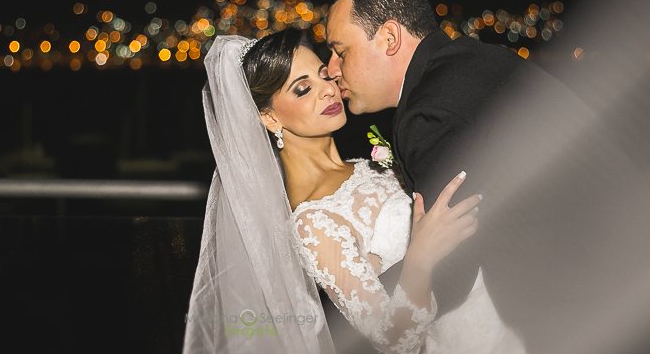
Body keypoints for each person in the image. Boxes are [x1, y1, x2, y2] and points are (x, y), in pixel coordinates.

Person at [325, 0, 648, 353]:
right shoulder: (475, 58)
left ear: (390, 38)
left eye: (340, 51)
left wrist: (357, 304)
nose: (331, 69)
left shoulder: (428, 114)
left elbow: (452, 267)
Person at [183, 29, 509, 354]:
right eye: (303, 89)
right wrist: (420, 258)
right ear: (269, 117)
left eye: (325, 76)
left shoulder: (366, 164)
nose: (328, 90)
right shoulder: (312, 221)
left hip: (508, 309)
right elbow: (394, 339)